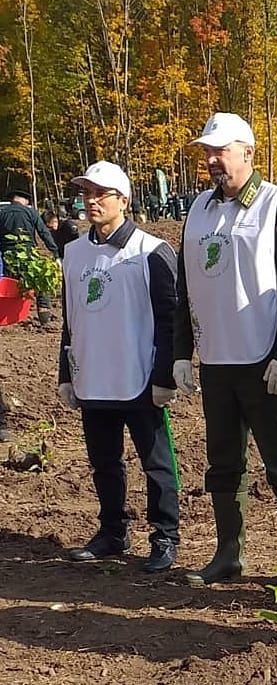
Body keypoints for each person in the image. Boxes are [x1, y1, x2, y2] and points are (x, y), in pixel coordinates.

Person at [173, 112, 277, 590]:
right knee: (223, 463)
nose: (213, 160)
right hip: (216, 362)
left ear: (248, 153)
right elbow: (183, 286)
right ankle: (228, 554)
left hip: (262, 360)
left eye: (221, 151)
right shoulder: (198, 210)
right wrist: (181, 352)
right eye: (208, 153)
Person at [58, 160, 180, 573]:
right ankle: (113, 530)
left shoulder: (150, 252)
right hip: (94, 377)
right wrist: (66, 372)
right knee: (104, 461)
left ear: (123, 200)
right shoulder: (73, 252)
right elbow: (69, 316)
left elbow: (170, 317)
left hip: (138, 377)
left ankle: (165, 535)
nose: (91, 202)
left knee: (156, 463)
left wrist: (164, 375)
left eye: (100, 194)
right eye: (86, 194)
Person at [0, 189, 59, 324]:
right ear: (25, 200)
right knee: (40, 281)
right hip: (28, 254)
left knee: (11, 285)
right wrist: (54, 251)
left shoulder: (2, 212)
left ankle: (9, 316)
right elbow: (44, 232)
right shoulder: (31, 212)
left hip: (7, 255)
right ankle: (44, 314)